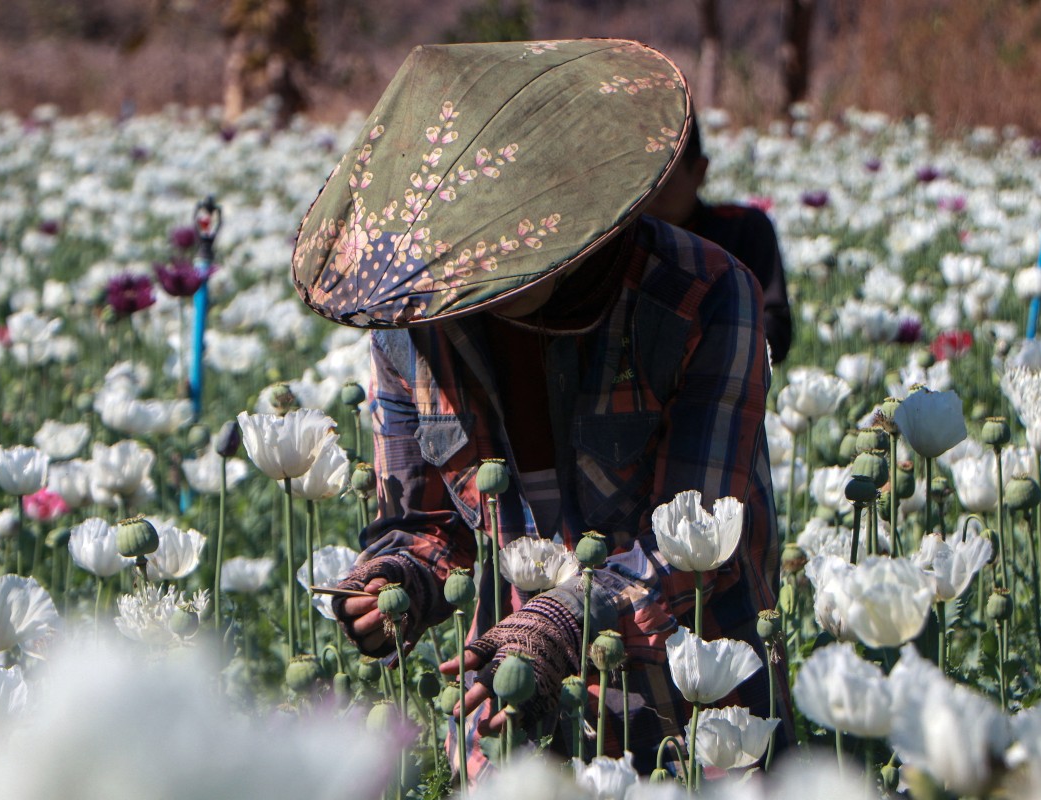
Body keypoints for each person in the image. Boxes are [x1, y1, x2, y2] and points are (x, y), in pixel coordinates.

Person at [291, 39, 789, 780]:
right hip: (509, 713)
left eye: (482, 253)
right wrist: (399, 583)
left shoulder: (703, 299)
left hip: (694, 713)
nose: (455, 282)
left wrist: (564, 616)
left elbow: (698, 542)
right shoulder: (411, 323)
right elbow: (425, 525)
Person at [644, 118, 794, 364]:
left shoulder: (743, 229)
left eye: (663, 177)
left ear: (699, 171)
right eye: (641, 179)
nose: (650, 192)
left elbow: (775, 329)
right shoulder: (618, 242)